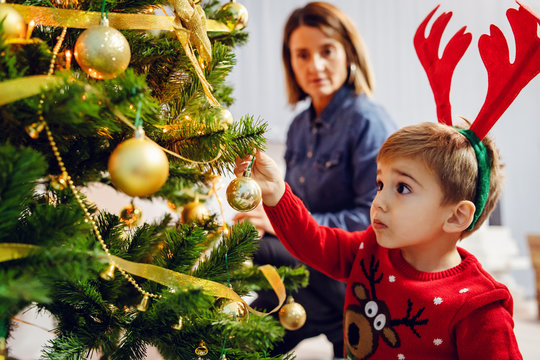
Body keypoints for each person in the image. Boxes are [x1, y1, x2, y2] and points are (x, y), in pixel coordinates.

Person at [233, 121, 523, 359]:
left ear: (456, 217)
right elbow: (315, 241)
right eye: (381, 184)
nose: (378, 201)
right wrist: (276, 192)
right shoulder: (370, 249)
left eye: (403, 188)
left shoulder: (479, 308)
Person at [233, 2, 395, 357]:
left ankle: (326, 318)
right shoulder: (299, 128)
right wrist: (266, 217)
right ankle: (312, 318)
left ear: (348, 52)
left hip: (352, 268)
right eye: (302, 55)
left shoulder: (369, 120)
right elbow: (296, 203)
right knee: (254, 243)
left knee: (268, 254)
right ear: (290, 62)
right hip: (310, 265)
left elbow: (378, 219)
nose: (315, 66)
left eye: (327, 51)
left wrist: (288, 226)